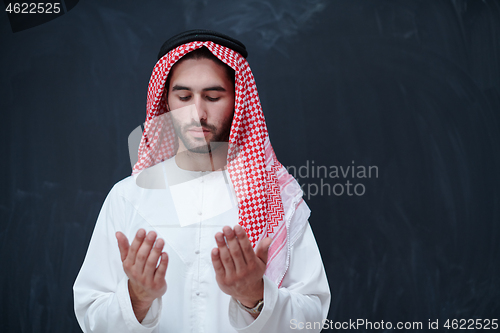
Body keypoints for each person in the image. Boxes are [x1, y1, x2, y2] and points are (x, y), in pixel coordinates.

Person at [73, 30, 330, 333]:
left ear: (238, 103)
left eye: (212, 97)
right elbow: (91, 315)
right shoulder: (128, 197)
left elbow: (312, 318)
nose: (198, 112)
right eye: (184, 97)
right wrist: (136, 298)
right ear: (166, 104)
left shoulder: (275, 198)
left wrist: (256, 297)